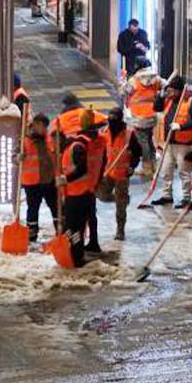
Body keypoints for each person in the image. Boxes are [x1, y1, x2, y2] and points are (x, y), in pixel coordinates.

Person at [58, 109, 103, 268]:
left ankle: (75, 256)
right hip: (87, 191)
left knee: (73, 228)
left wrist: (65, 179)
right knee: (77, 226)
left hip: (77, 194)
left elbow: (82, 169)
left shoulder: (76, 147)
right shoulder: (96, 142)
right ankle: (76, 253)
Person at [151, 75, 192, 207]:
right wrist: (161, 96)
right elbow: (156, 108)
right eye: (170, 90)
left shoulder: (191, 102)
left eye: (174, 91)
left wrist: (181, 127)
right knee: (166, 170)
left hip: (183, 144)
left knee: (184, 171)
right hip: (168, 142)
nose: (171, 93)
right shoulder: (169, 100)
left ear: (180, 90)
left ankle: (186, 197)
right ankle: (166, 195)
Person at [100, 107, 142, 241]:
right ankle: (122, 199)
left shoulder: (129, 135)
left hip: (122, 175)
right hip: (107, 172)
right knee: (101, 195)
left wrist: (132, 167)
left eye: (115, 119)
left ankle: (120, 230)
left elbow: (137, 153)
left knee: (120, 207)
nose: (112, 122)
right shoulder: (104, 133)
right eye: (110, 118)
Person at [120, 60, 162, 175]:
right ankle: (153, 164)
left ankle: (147, 166)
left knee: (142, 142)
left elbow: (123, 92)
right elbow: (165, 87)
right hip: (152, 115)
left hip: (139, 117)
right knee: (149, 139)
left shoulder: (134, 80)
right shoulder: (156, 79)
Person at [21, 113, 57, 243]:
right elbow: (14, 155)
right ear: (35, 125)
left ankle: (60, 232)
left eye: (45, 127)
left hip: (49, 180)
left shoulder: (49, 138)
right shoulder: (24, 139)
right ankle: (31, 235)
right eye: (42, 126)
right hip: (32, 182)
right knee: (33, 209)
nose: (44, 130)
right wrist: (17, 157)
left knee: (56, 207)